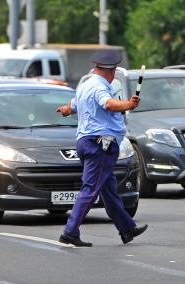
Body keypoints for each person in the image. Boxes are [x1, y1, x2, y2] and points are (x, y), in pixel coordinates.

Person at [55, 50, 148, 247]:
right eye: (113, 72)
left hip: (86, 142)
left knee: (108, 190)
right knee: (90, 189)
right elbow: (108, 103)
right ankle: (69, 232)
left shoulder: (85, 85)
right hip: (100, 145)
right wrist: (128, 104)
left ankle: (127, 228)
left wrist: (65, 110)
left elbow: (73, 106)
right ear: (110, 71)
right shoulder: (100, 88)